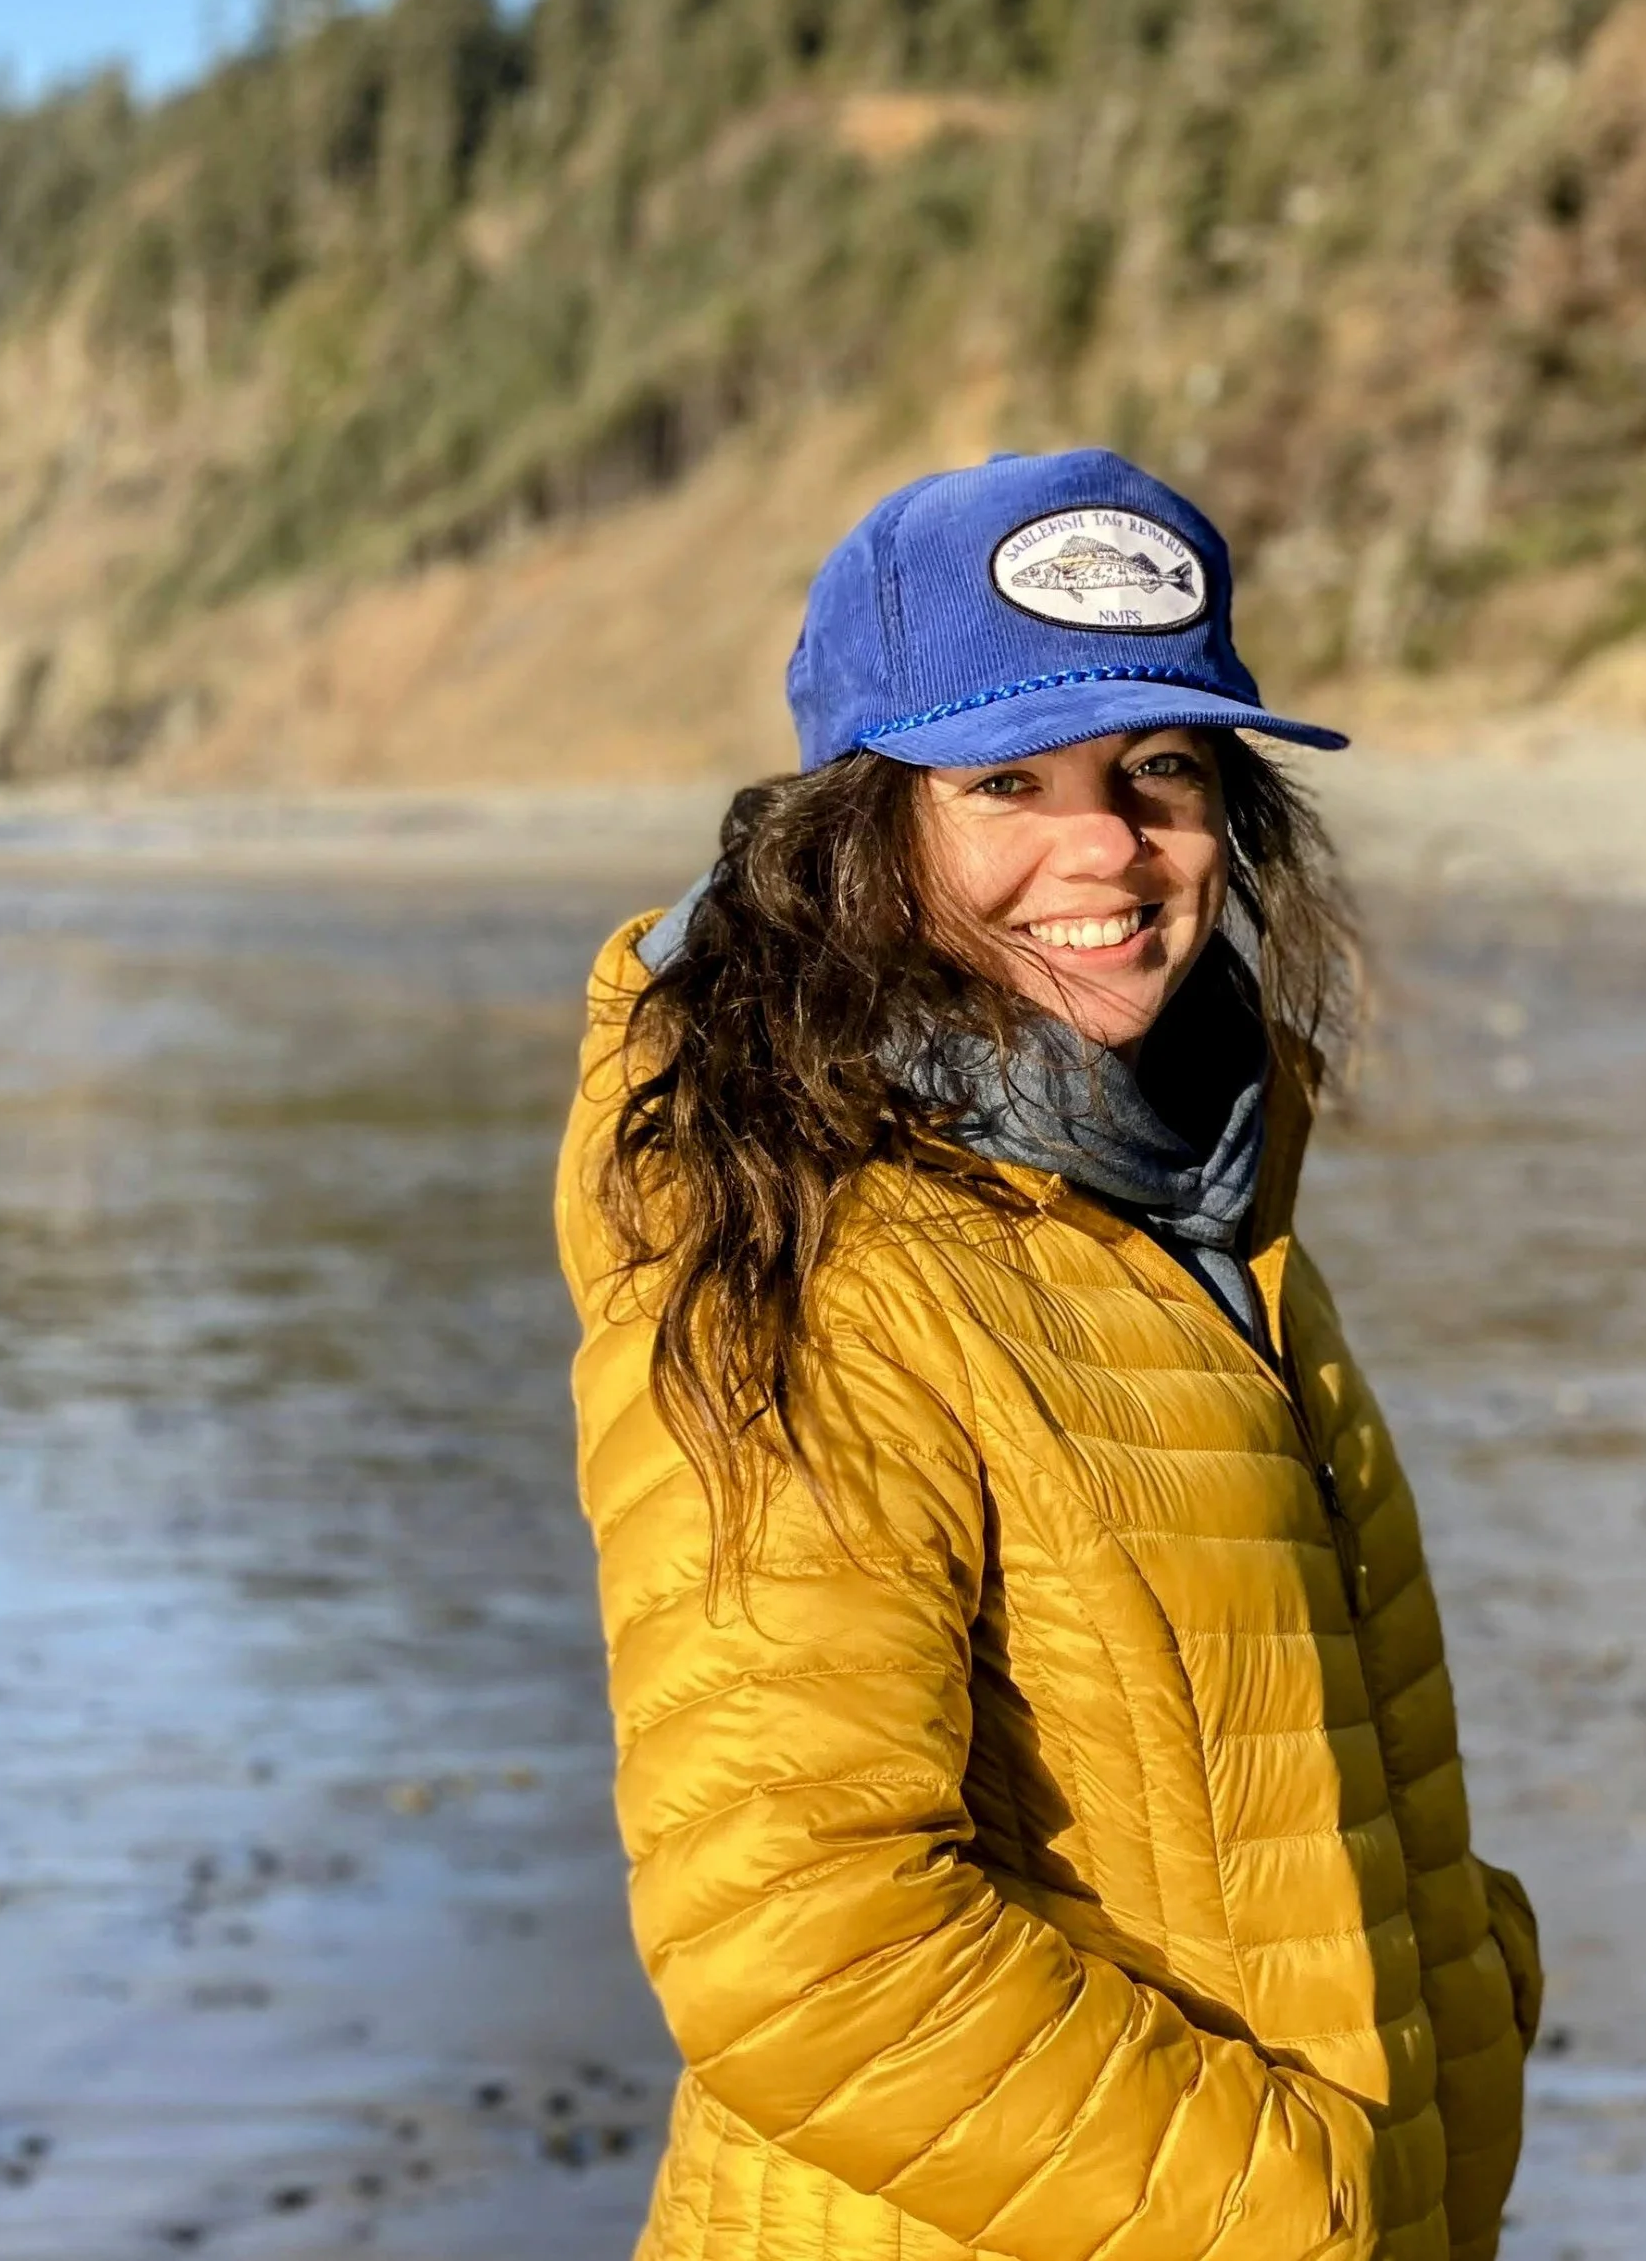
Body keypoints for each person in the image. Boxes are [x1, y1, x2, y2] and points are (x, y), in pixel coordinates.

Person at [555, 447, 1542, 2261]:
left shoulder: (1183, 1188)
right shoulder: (807, 1241)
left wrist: (1463, 1986)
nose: (1107, 847)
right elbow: (799, 1939)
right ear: (860, 830)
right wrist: (1293, 2203)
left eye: (1157, 768)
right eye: (1008, 779)